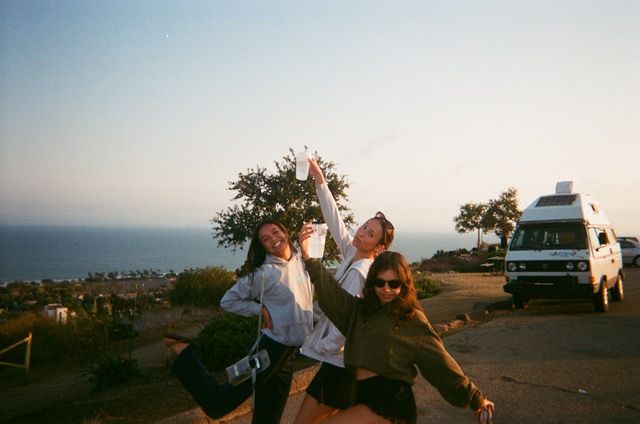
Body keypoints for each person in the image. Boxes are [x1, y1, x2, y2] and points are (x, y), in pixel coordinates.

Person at [298, 229, 496, 424]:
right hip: (359, 396)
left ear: (404, 284)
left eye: (394, 283)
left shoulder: (411, 319)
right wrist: (308, 257)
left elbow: (441, 365)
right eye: (380, 282)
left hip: (389, 404)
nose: (386, 289)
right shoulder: (360, 311)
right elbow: (331, 293)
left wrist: (475, 398)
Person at [163, 220, 314, 424]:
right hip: (269, 350)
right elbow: (227, 301)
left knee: (268, 418)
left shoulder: (301, 262)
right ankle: (185, 353)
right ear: (263, 247)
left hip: (288, 354)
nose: (273, 239)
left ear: (286, 234)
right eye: (266, 239)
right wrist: (258, 309)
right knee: (219, 403)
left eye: (275, 232)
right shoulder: (265, 273)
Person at [294, 158, 395, 424]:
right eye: (364, 227)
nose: (361, 233)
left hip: (339, 365)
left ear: (379, 247)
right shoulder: (352, 252)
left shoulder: (362, 274)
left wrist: (325, 347)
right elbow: (334, 218)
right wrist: (319, 178)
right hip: (341, 364)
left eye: (370, 233)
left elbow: (345, 320)